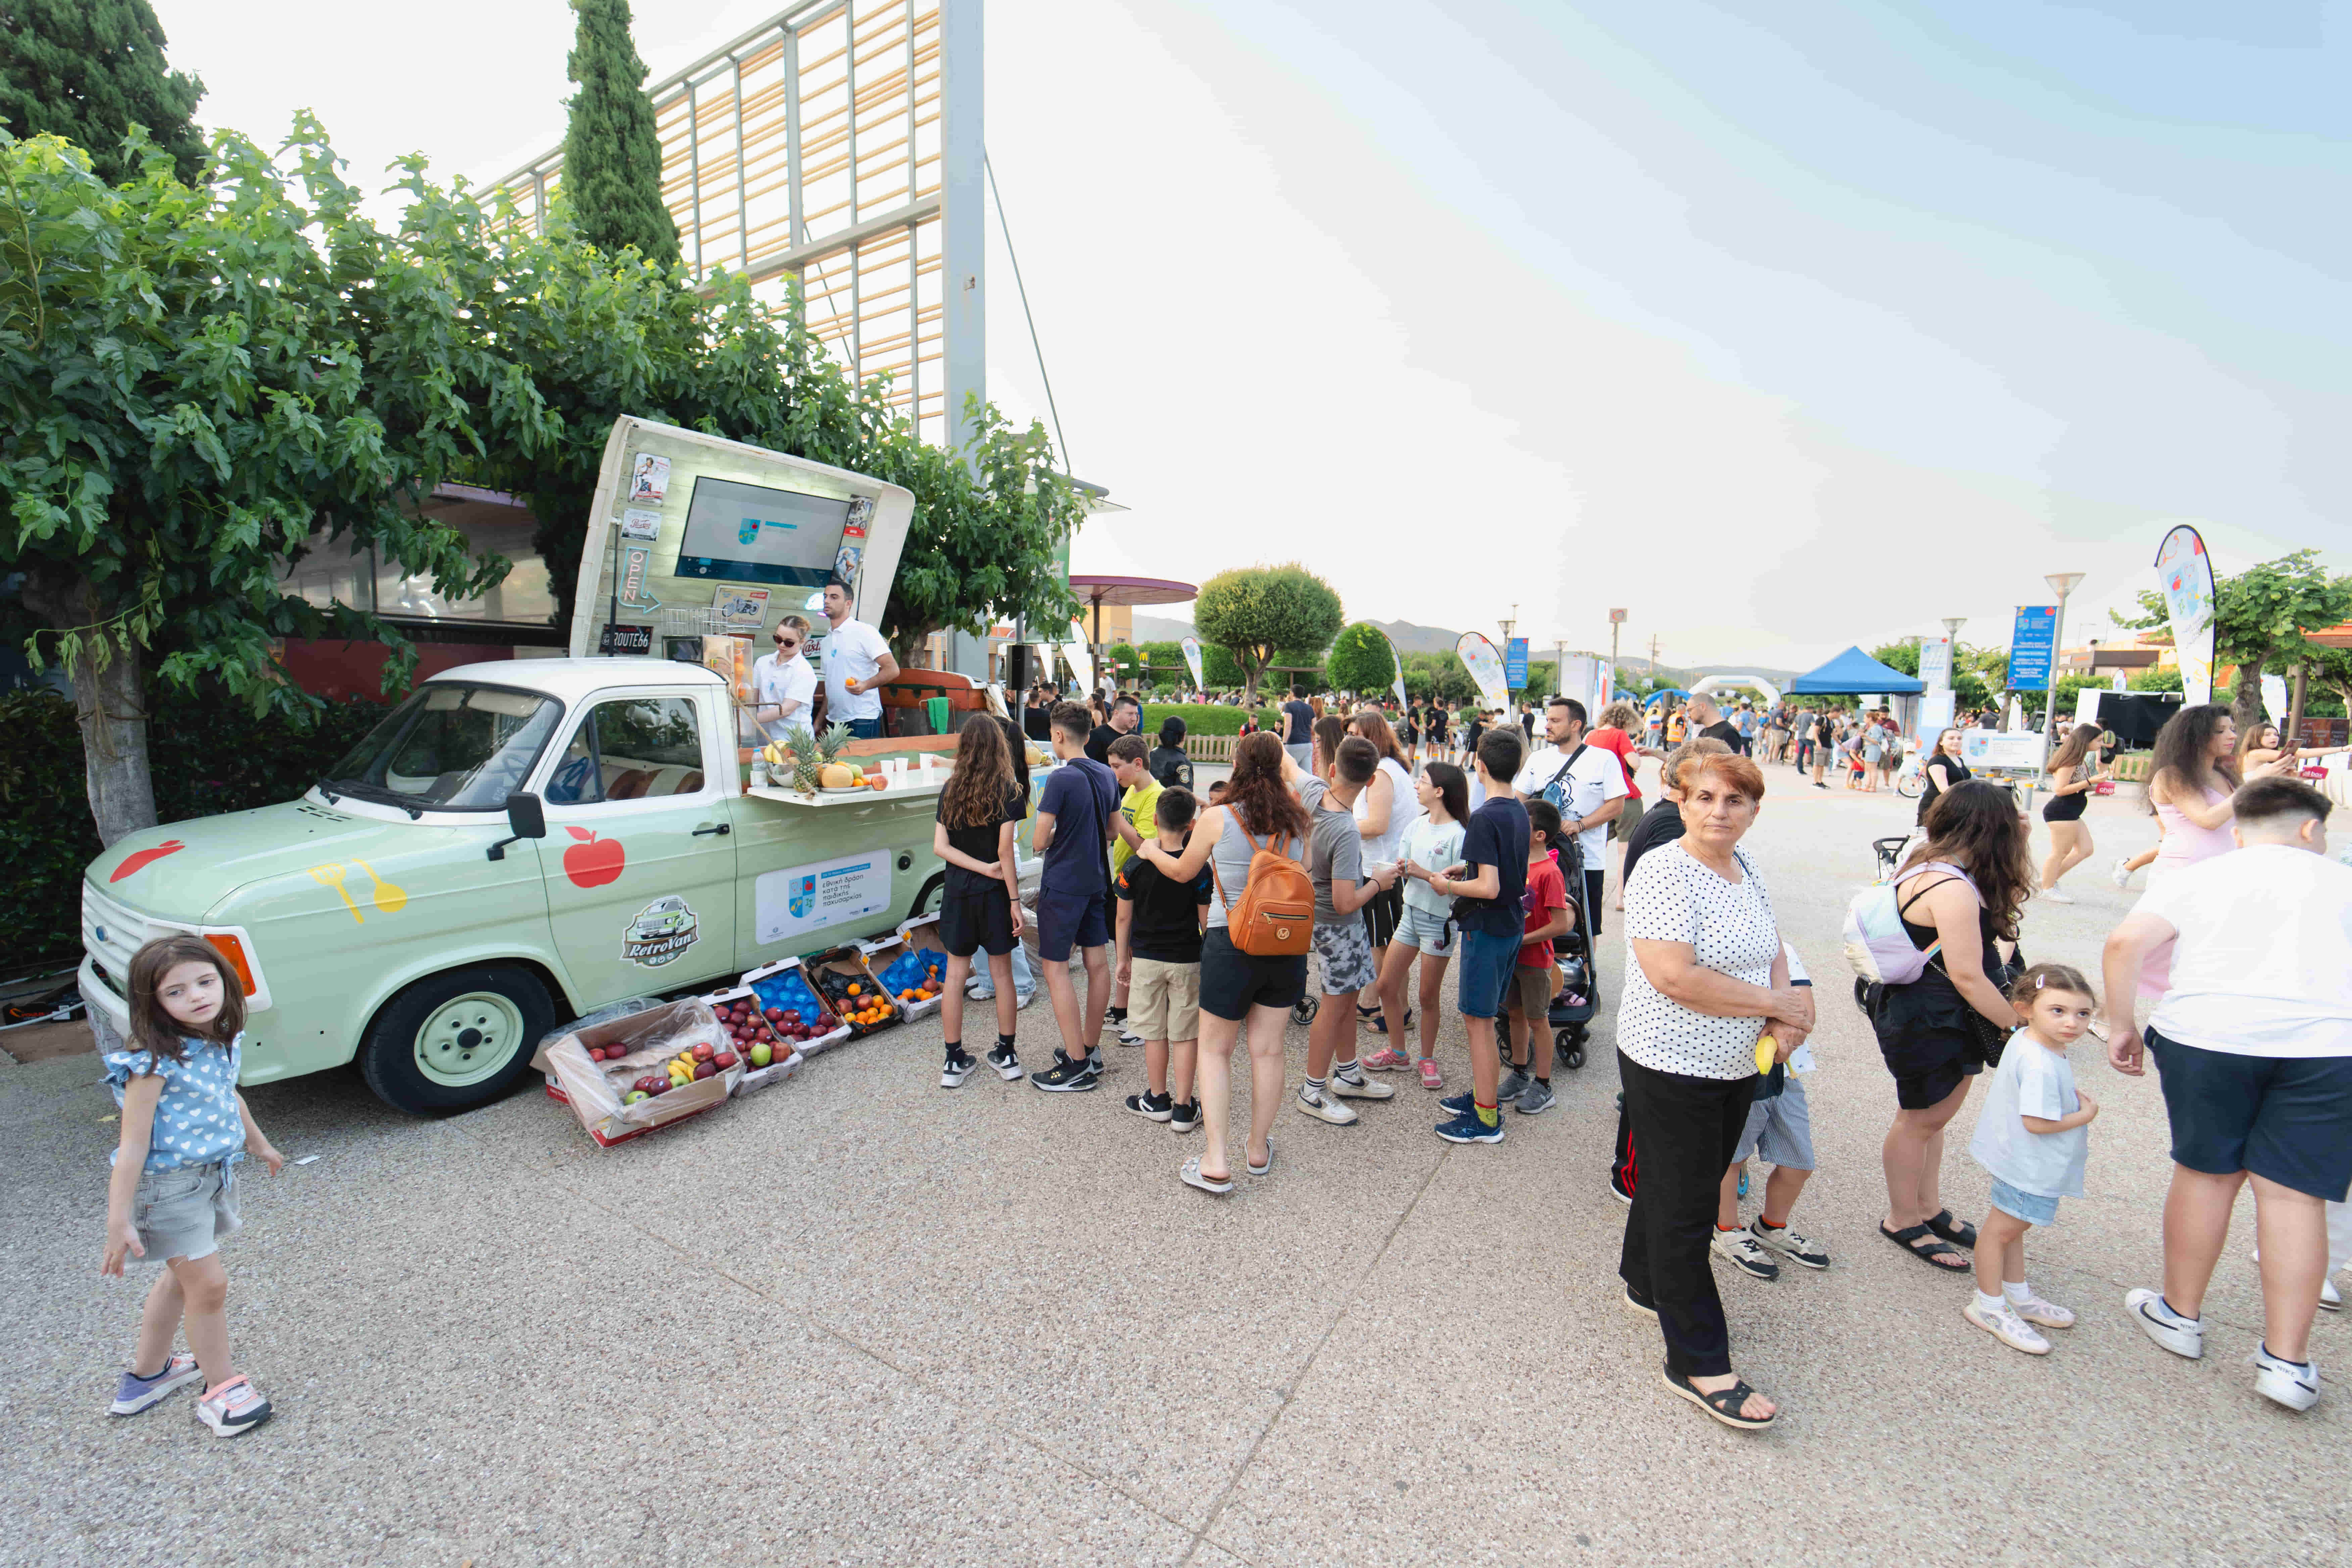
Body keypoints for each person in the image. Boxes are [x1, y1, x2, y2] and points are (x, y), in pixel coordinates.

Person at [2104, 776, 2352, 1411]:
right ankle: (2286, 1363)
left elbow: (2124, 943)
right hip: (2327, 1047)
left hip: (2206, 1037)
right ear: (2310, 828)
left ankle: (2179, 1315)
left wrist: (2122, 1023)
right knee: (2295, 1194)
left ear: (2238, 833)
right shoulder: (2341, 880)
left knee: (2205, 1173)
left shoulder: (2200, 876)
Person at [1618, 749, 1808, 1431]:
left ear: (1754, 808)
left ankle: (1644, 1277)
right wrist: (1776, 1004)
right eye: (1704, 797)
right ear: (1681, 799)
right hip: (1670, 1062)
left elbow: (1772, 943)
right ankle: (1698, 1360)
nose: (1718, 811)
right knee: (1689, 1205)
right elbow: (1673, 975)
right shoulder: (1663, 870)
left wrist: (1788, 1004)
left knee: (1680, 1181)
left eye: (1734, 800)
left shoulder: (1743, 864)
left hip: (1735, 1063)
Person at [100, 934, 285, 1437]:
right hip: (168, 1189)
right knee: (208, 1284)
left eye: (205, 982)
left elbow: (228, 1097)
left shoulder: (218, 1041)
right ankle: (221, 1391)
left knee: (180, 1280)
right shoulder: (153, 1063)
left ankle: (147, 1376)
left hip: (209, 1178)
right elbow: (132, 1146)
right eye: (175, 991)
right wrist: (118, 1220)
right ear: (152, 1003)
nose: (197, 996)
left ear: (225, 981)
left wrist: (259, 1144)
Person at [1139, 732, 1313, 1193]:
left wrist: (1152, 850)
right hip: (1286, 943)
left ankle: (1216, 1160)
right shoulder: (1299, 819)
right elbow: (1307, 872)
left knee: (1216, 1050)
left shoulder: (1219, 817)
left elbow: (1183, 872)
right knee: (1269, 1050)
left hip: (1230, 942)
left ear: (1237, 765)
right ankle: (1257, 1149)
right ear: (1281, 767)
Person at [1871, 780, 2031, 1273]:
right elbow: (1968, 975)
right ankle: (1903, 1218)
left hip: (1932, 1013)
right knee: (1918, 1120)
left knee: (1930, 1120)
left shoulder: (1928, 862)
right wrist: (2019, 1029)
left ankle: (1928, 1207)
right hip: (1933, 1018)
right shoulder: (1953, 888)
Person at [1961, 963, 2099, 1355]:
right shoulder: (2040, 1062)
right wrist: (2085, 1115)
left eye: (2083, 1013)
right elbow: (2037, 1123)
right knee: (2001, 1232)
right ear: (2025, 1008)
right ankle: (1989, 1305)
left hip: (2017, 1158)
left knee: (2012, 1229)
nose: (2072, 1023)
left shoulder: (2029, 1040)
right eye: (2058, 1011)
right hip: (2028, 1164)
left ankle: (2017, 1295)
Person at [1407, 728, 1529, 1144]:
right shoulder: (1518, 808)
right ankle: (1483, 1095)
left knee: (1478, 1022)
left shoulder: (1484, 817)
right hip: (1510, 924)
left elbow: (1489, 888)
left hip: (1486, 927)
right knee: (1483, 1018)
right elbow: (1504, 871)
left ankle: (1486, 1117)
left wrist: (1451, 885)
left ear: (1479, 765)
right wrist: (1469, 868)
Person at [1290, 726, 1402, 1126]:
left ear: (1334, 768)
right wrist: (1378, 883)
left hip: (1335, 924)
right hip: (1337, 925)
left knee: (1348, 1000)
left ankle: (1349, 1073)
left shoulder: (1315, 792)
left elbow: (1288, 765)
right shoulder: (1346, 830)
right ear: (1371, 781)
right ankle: (1312, 1090)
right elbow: (1344, 901)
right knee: (1335, 1006)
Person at [1713, 942, 1830, 1280]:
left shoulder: (1783, 950)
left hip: (1785, 1072)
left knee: (1800, 1161)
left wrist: (1784, 1024)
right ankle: (1726, 1229)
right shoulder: (1720, 950)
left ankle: (1772, 1226)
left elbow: (1805, 1011)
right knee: (1731, 1158)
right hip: (1736, 1071)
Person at [932, 714, 1029, 1088]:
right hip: (994, 895)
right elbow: (1005, 852)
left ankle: (953, 1060)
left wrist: (977, 868)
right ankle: (1007, 1055)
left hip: (958, 892)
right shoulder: (1010, 789)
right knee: (1002, 974)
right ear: (998, 747)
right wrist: (1014, 898)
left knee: (955, 975)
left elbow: (941, 848)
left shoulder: (951, 788)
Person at [1030, 702, 1120, 1091]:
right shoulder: (1106, 773)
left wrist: (1058, 836)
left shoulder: (1060, 778)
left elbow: (1039, 840)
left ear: (1058, 735)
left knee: (1056, 968)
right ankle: (1089, 1049)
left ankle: (1077, 1063)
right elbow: (1112, 831)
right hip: (1096, 880)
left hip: (1064, 883)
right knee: (1098, 964)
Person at [1118, 786, 1212, 1133]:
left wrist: (1122, 959)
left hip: (1146, 959)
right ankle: (1185, 1107)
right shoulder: (1199, 869)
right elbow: (1205, 921)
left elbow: (1123, 917)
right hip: (1187, 958)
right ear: (1190, 825)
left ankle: (1157, 1099)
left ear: (1155, 820)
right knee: (1185, 1033)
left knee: (1154, 1032)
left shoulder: (1135, 865)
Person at [1368, 762, 1468, 1088]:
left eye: (1422, 781)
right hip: (1410, 914)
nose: (1416, 785)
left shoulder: (1460, 835)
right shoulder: (1415, 826)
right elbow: (1407, 866)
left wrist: (1421, 872)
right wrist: (1401, 869)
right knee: (1386, 985)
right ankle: (1399, 1052)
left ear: (1439, 791)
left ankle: (1427, 1058)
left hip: (1440, 923)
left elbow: (1457, 885)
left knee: (1428, 996)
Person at [2137, 704, 2242, 996]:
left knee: (2213, 949)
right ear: (2196, 736)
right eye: (2221, 731)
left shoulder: (2223, 775)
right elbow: (2207, 819)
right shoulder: (2172, 775)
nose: (2232, 736)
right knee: (2160, 951)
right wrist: (2252, 787)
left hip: (2225, 870)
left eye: (2232, 729)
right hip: (2184, 870)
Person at [1517, 696, 1627, 937]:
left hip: (1585, 860)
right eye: (1548, 720)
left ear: (1576, 725)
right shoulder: (1538, 759)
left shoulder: (1604, 760)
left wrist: (1580, 825)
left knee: (1586, 930)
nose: (1547, 726)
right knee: (1539, 923)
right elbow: (1518, 802)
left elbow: (1617, 805)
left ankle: (1583, 964)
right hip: (1538, 861)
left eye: (1555, 721)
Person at [1346, 708, 1421, 1035]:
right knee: (1381, 943)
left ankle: (1400, 1012)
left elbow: (1377, 824)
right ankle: (1372, 1002)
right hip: (1384, 867)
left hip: (1385, 870)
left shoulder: (1382, 773)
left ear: (1373, 737)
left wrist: (1338, 826)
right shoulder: (1385, 768)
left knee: (1387, 946)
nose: (1348, 741)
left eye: (1355, 735)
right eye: (1347, 735)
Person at [1499, 799, 1572, 1116]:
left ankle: (1544, 1085)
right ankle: (1519, 1074)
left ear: (1540, 835)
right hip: (1512, 957)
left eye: (1522, 824)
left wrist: (1522, 940)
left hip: (1535, 961)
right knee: (1514, 1015)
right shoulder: (1517, 862)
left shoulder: (1550, 873)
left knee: (1538, 1020)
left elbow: (1560, 924)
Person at [966, 714, 1039, 1013]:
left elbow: (1005, 844)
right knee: (979, 925)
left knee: (1007, 928)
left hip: (1004, 860)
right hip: (984, 861)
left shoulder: (1011, 782)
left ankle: (1023, 984)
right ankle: (987, 980)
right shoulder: (991, 777)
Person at [1102, 733, 1164, 1050]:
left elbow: (1145, 846)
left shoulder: (1155, 796)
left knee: (1139, 956)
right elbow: (1116, 833)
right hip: (1123, 883)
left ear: (1138, 764)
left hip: (1142, 886)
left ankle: (1143, 1021)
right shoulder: (1130, 791)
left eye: (1117, 767)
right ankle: (1122, 1011)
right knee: (1124, 951)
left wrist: (1114, 812)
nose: (1113, 773)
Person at [1584, 699, 1655, 912]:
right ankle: (1621, 899)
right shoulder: (1620, 735)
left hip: (1598, 799)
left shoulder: (1590, 736)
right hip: (1626, 797)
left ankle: (1590, 895)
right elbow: (1635, 763)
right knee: (1625, 851)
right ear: (1626, 721)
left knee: (1597, 848)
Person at [2037, 722, 2109, 902]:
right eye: (2098, 741)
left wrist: (2099, 784)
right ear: (2087, 740)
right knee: (2060, 852)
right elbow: (2060, 789)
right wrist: (2090, 782)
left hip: (2072, 811)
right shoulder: (2070, 761)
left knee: (2085, 849)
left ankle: (2047, 880)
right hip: (2062, 811)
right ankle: (2048, 888)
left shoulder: (2080, 760)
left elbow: (2079, 786)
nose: (2101, 744)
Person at [817, 577, 898, 739]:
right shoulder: (826, 641)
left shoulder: (864, 632)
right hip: (834, 721)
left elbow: (893, 670)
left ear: (849, 603)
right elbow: (830, 686)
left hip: (862, 719)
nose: (827, 601)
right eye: (825, 596)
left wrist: (866, 685)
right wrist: (819, 721)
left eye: (834, 597)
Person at [749, 615, 817, 745]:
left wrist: (749, 721)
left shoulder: (804, 670)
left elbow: (786, 709)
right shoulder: (762, 662)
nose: (782, 645)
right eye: (778, 639)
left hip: (794, 742)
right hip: (765, 739)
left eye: (789, 643)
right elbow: (753, 700)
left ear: (802, 642)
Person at [1918, 727, 1970, 824]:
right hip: (1937, 807)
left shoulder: (1959, 760)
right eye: (1951, 738)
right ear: (1941, 742)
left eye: (1959, 739)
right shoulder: (1938, 760)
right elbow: (1943, 789)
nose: (1956, 741)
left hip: (1956, 806)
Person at [1088, 693, 1141, 767]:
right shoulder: (1096, 736)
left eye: (1136, 714)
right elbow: (1089, 767)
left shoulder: (1136, 737)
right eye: (1130, 714)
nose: (1134, 719)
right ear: (1116, 713)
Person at [1149, 716, 1194, 790]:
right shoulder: (1183, 763)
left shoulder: (1151, 756)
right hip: (1168, 797)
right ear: (1184, 736)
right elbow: (1184, 794)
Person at [1281, 686, 1315, 769]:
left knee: (1290, 771)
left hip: (1293, 744)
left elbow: (1288, 725)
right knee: (1306, 773)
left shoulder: (1289, 706)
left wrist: (1284, 743)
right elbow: (1315, 727)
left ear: (1292, 694)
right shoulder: (1310, 708)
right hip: (1307, 744)